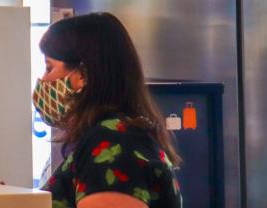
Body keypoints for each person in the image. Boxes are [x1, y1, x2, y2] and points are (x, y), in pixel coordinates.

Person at [35, 12, 182, 208]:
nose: (43, 80)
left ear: (82, 75)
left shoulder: (114, 145)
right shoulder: (116, 135)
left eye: (49, 68)